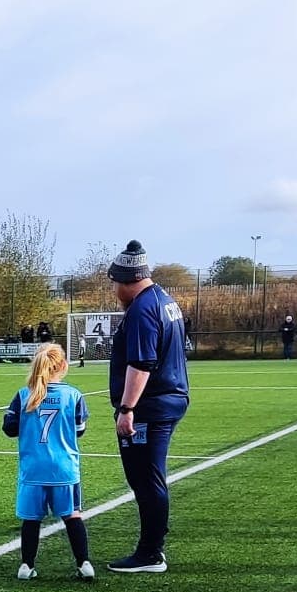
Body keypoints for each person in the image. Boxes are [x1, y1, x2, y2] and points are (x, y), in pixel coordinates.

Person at [105, 240, 189, 574]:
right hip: (169, 398)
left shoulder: (141, 309)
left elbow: (141, 363)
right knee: (149, 476)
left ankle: (151, 553)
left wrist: (127, 410)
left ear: (127, 280)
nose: (114, 291)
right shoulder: (166, 301)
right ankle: (152, 547)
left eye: (114, 284)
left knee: (145, 477)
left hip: (150, 407)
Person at [1, 343, 94, 581]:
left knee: (31, 519)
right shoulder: (73, 395)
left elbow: (9, 429)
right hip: (64, 469)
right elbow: (79, 430)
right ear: (63, 366)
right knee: (72, 515)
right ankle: (84, 564)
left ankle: (26, 565)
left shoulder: (24, 395)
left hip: (33, 469)